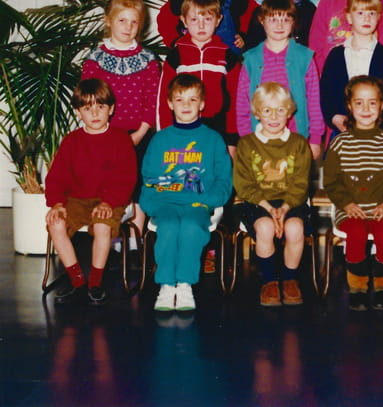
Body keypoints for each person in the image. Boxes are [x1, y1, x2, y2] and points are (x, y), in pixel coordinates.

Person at [141, 74, 233, 311]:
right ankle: (166, 285)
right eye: (180, 99)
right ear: (170, 103)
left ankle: (184, 285)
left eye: (192, 99)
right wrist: (153, 203)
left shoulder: (213, 139)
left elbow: (223, 179)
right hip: (166, 203)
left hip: (198, 203)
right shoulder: (160, 140)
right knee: (169, 226)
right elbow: (149, 178)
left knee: (191, 227)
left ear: (202, 104)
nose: (186, 105)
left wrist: (208, 199)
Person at [45, 79, 137, 305]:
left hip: (111, 200)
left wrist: (108, 202)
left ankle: (95, 282)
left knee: (102, 226)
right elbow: (56, 177)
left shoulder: (121, 139)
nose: (95, 113)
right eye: (87, 108)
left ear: (111, 109)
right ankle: (77, 279)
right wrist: (57, 203)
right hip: (77, 200)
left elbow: (126, 178)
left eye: (100, 106)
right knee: (56, 224)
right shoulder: (71, 141)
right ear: (78, 112)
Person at [323, 76, 383, 311]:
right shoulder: (339, 143)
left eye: (372, 103)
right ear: (349, 106)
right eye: (359, 103)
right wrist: (347, 204)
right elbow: (332, 181)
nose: (365, 109)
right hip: (349, 209)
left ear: (382, 106)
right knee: (356, 232)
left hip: (381, 208)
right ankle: (357, 287)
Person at [81, 0, 160, 248]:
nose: (128, 27)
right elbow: (88, 97)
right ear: (109, 21)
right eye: (122, 21)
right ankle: (109, 235)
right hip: (105, 134)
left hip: (139, 134)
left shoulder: (149, 60)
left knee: (138, 183)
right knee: (108, 183)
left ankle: (136, 238)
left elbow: (152, 100)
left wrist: (140, 133)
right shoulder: (95, 59)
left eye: (134, 22)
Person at [233, 82, 312, 307]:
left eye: (280, 110)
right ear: (257, 113)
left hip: (291, 201)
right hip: (257, 201)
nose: (274, 116)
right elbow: (244, 184)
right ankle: (269, 281)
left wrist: (285, 208)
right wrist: (269, 209)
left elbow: (300, 183)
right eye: (267, 110)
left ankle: (289, 279)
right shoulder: (246, 144)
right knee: (266, 227)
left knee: (294, 228)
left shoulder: (299, 143)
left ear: (289, 113)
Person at [236, 0, 323, 160]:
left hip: (297, 137)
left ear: (293, 22)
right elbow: (242, 102)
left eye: (286, 19)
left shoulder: (304, 57)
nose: (279, 25)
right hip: (259, 139)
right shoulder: (251, 59)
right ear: (262, 20)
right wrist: (246, 138)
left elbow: (314, 101)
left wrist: (315, 139)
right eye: (273, 19)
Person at [157, 0, 242, 152]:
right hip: (182, 128)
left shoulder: (228, 56)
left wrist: (232, 141)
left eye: (208, 19)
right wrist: (166, 135)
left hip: (219, 130)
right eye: (194, 19)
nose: (201, 26)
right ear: (184, 21)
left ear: (218, 20)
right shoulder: (176, 56)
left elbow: (236, 101)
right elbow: (163, 98)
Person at [320, 0, 383, 138]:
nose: (366, 19)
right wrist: (334, 117)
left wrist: (381, 120)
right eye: (360, 13)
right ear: (349, 17)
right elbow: (326, 93)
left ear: (378, 17)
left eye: (371, 13)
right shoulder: (336, 56)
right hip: (344, 132)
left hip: (380, 132)